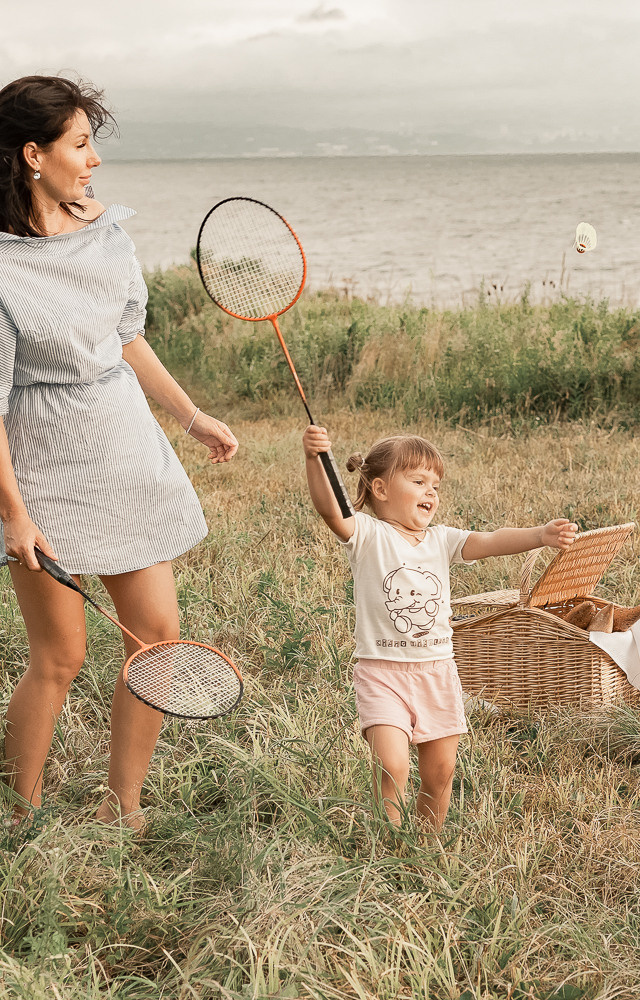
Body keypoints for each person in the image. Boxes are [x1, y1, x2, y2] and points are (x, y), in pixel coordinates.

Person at [0, 75, 238, 829]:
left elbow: (127, 337)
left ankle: (122, 809)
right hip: (40, 472)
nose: (94, 159)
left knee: (158, 640)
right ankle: (19, 817)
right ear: (32, 155)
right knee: (60, 657)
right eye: (80, 143)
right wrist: (14, 516)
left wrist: (191, 415)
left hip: (124, 448)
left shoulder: (105, 230)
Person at [303, 426, 577, 830]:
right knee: (391, 765)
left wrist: (539, 535)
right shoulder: (368, 535)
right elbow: (332, 511)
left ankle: (428, 843)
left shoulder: (441, 540)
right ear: (380, 489)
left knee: (441, 772)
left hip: (436, 672)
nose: (430, 492)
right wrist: (314, 459)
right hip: (382, 673)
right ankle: (390, 841)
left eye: (435, 484)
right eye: (418, 481)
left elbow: (490, 540)